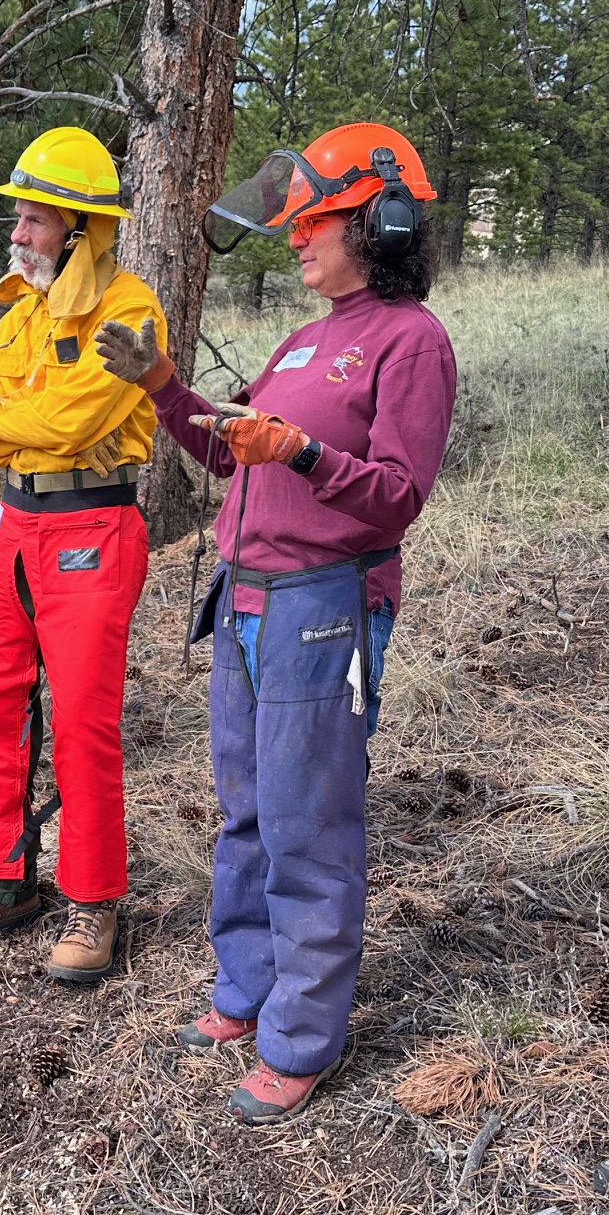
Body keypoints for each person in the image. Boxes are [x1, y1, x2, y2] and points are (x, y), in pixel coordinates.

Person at [99, 123, 455, 1123]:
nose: (295, 240)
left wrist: (300, 455)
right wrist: (166, 391)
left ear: (376, 224)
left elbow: (394, 498)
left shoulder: (408, 340)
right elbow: (229, 454)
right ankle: (246, 989)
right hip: (244, 593)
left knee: (310, 823)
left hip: (322, 604)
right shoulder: (306, 337)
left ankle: (303, 1034)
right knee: (247, 810)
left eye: (312, 224)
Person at [0, 127, 164, 983]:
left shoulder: (128, 310)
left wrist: (1, 422)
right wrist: (0, 422)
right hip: (13, 528)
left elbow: (61, 424)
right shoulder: (21, 312)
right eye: (18, 217)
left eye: (33, 219)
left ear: (80, 227)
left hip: (93, 527)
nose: (17, 233)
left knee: (83, 721)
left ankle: (92, 902)